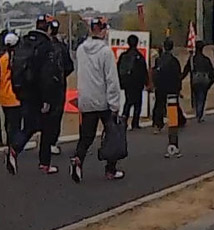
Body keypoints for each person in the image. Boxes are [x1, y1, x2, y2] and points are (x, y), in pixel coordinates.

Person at [69, 18, 125, 182]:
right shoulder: (105, 52)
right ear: (102, 31)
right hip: (103, 100)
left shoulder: (80, 50)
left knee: (86, 136)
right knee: (111, 135)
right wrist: (115, 103)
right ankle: (110, 170)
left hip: (85, 99)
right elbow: (112, 80)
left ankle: (78, 159)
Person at [6, 15, 62, 175]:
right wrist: (47, 98)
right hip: (40, 93)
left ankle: (15, 148)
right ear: (49, 28)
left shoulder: (24, 41)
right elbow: (47, 74)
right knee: (47, 127)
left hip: (23, 91)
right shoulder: (46, 46)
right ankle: (44, 163)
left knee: (29, 126)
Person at [48, 19, 74, 155]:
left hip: (39, 87)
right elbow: (70, 66)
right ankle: (51, 142)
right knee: (56, 114)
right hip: (58, 86)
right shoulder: (61, 46)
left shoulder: (39, 45)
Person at [152, 38, 185, 133]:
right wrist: (179, 88)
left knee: (159, 104)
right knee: (173, 105)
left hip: (160, 85)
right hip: (172, 86)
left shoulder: (159, 60)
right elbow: (177, 75)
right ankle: (174, 123)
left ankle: (158, 124)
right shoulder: (174, 61)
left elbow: (155, 72)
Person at [117, 34, 149, 129]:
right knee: (137, 103)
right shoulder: (139, 56)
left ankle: (123, 121)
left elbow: (118, 68)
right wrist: (146, 82)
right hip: (137, 83)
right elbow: (143, 71)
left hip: (127, 83)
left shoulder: (123, 56)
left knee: (128, 102)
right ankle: (135, 123)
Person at [181, 40, 214, 123]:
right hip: (204, 81)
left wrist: (180, 78)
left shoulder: (192, 60)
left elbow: (186, 70)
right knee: (202, 97)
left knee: (196, 96)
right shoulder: (206, 59)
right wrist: (211, 81)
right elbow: (211, 72)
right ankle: (200, 114)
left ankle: (198, 112)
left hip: (195, 80)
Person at [1, 32, 21, 147]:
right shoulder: (17, 58)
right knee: (15, 124)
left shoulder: (2, 59)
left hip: (4, 96)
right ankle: (14, 146)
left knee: (7, 122)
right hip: (15, 96)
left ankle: (9, 144)